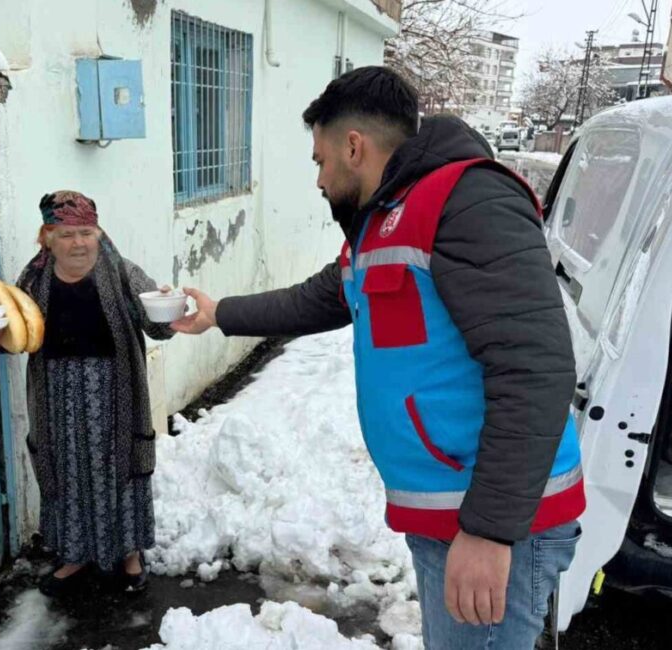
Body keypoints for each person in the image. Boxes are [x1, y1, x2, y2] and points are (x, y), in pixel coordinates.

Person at [171, 67, 585, 649]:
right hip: (450, 515)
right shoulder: (384, 221)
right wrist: (220, 313)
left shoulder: (468, 200)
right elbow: (319, 297)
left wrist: (490, 531)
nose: (318, 179)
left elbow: (535, 368)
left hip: (496, 521)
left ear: (353, 147)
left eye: (320, 160)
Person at [0, 190, 174, 596]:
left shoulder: (123, 274)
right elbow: (17, 336)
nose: (79, 242)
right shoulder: (33, 280)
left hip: (116, 393)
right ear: (47, 238)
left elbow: (158, 326)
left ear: (99, 233)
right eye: (67, 234)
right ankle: (75, 554)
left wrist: (169, 308)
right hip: (56, 395)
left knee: (121, 470)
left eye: (86, 232)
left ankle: (130, 555)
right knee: (67, 473)